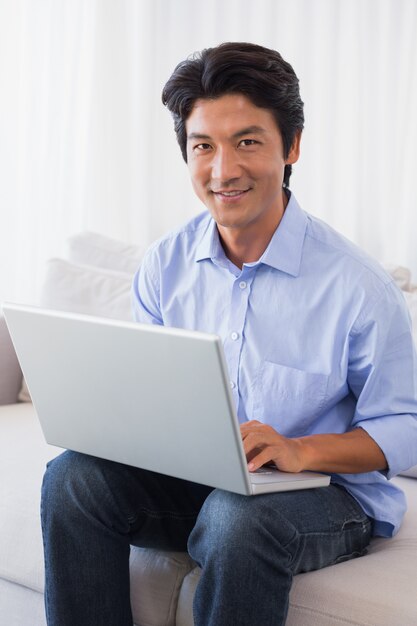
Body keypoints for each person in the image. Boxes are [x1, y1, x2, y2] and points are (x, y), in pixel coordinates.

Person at [41, 42, 417, 626]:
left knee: (236, 515)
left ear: (290, 146)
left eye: (247, 142)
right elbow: (150, 393)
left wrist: (299, 450)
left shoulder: (358, 286)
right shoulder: (164, 266)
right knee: (72, 478)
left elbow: (406, 427)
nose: (223, 170)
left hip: (329, 496)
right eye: (203, 146)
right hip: (204, 484)